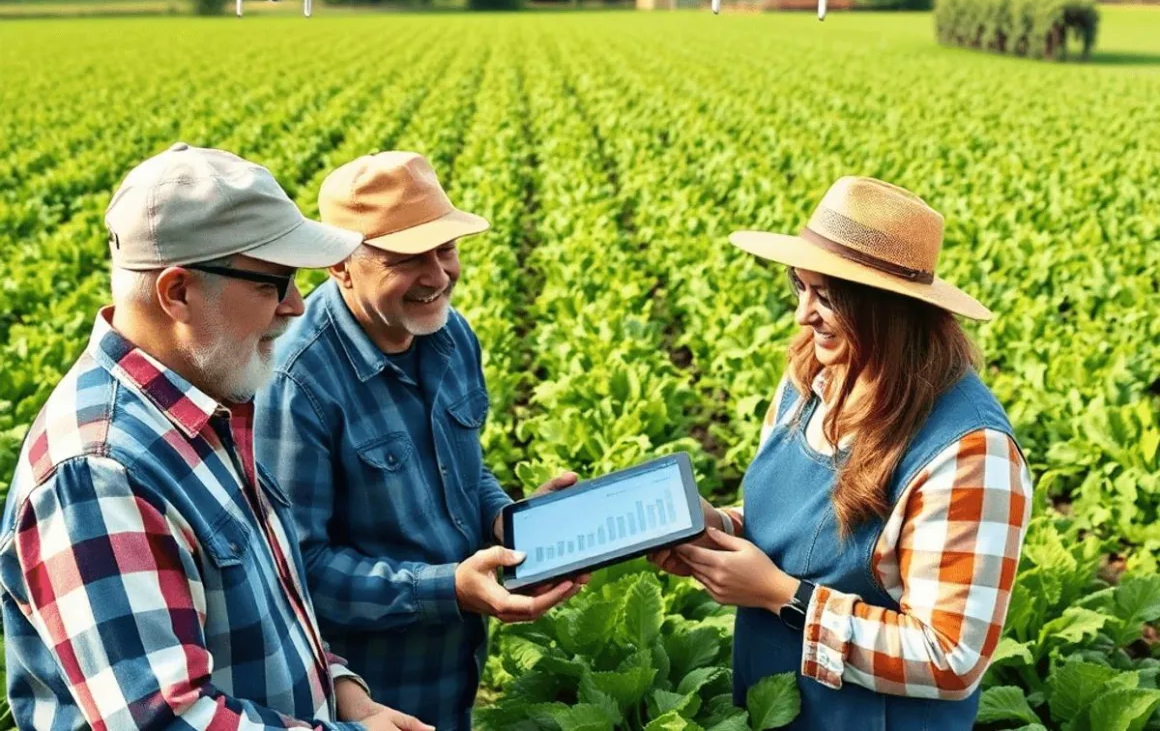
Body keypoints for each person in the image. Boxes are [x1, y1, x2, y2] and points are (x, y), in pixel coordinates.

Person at [0, 143, 432, 731]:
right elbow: (163, 721)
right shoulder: (98, 474)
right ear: (177, 292)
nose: (296, 306)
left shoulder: (208, 403)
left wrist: (340, 688)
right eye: (273, 284)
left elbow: (267, 609)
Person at [652, 176, 1033, 730]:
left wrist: (782, 596)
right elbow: (798, 531)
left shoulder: (971, 452)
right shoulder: (814, 375)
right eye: (799, 286)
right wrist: (720, 531)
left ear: (890, 311)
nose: (803, 314)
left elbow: (952, 658)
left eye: (827, 297)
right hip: (774, 704)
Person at [254, 151, 584, 731]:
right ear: (341, 266)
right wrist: (447, 589)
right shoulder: (295, 382)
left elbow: (466, 469)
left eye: (446, 249)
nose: (437, 276)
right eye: (406, 258)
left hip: (454, 666)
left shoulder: (451, 333)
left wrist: (509, 522)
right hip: (367, 693)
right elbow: (293, 570)